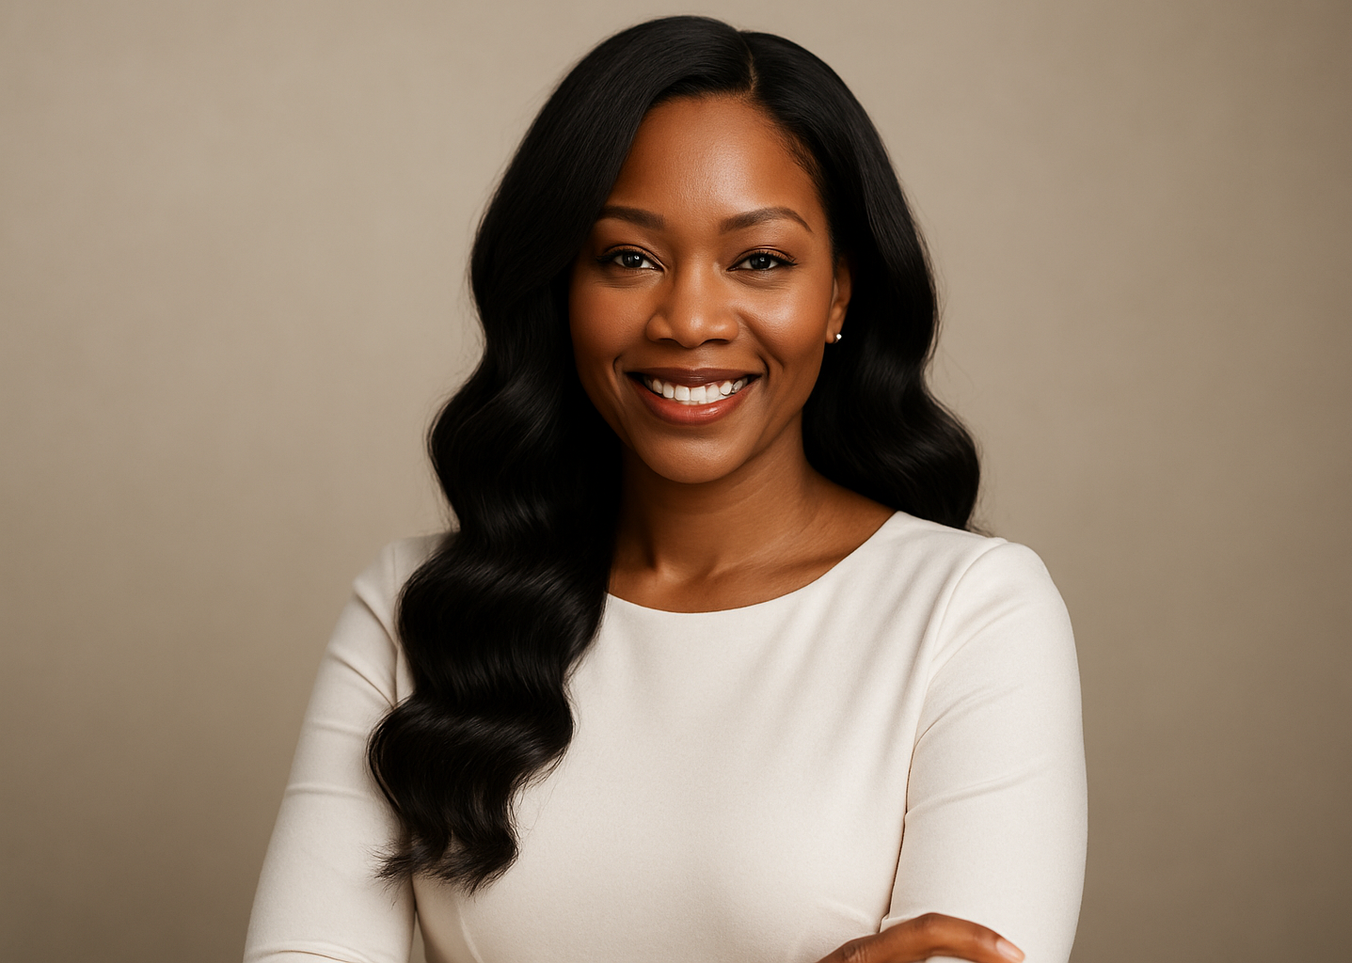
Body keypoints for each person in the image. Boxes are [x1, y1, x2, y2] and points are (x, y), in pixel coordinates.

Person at [244, 16, 1086, 963]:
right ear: (562, 287)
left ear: (839, 294)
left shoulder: (971, 613)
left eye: (759, 260)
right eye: (627, 258)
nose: (689, 319)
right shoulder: (415, 611)